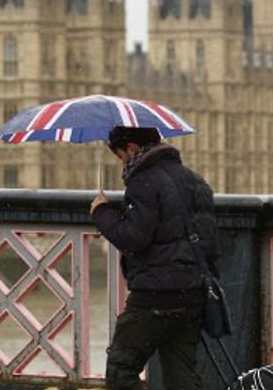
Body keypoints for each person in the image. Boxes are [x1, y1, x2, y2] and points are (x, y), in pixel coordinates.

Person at [90, 126, 220, 390]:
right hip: (193, 295)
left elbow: (134, 237)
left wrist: (102, 212)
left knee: (121, 369)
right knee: (182, 378)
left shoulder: (143, 181)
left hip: (155, 295)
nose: (122, 163)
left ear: (132, 148)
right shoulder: (196, 180)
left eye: (120, 156)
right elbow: (210, 244)